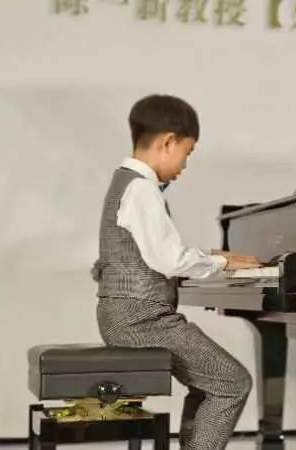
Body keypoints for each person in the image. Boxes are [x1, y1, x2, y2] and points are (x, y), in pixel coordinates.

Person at [91, 94, 259, 450]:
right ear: (168, 142)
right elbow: (169, 261)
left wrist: (213, 256)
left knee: (211, 382)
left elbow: (149, 253)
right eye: (188, 151)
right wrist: (221, 263)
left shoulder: (126, 182)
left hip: (129, 316)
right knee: (233, 383)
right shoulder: (142, 188)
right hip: (141, 321)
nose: (185, 164)